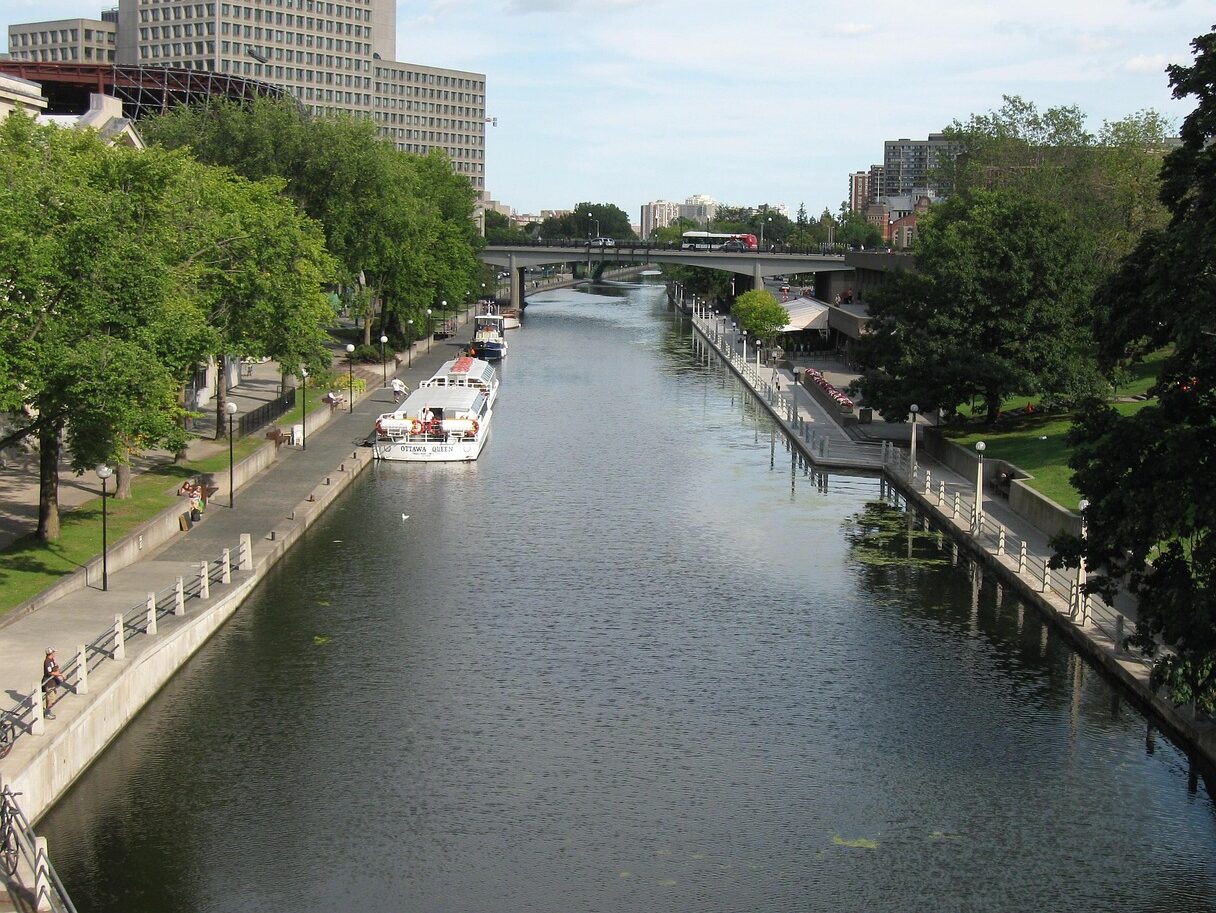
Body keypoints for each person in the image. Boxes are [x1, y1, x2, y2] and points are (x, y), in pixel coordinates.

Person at [42, 647, 63, 719]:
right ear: (50, 653)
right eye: (53, 652)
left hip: (52, 682)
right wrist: (60, 674)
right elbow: (49, 673)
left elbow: (55, 668)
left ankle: (48, 711)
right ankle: (47, 713)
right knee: (50, 698)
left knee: (52, 697)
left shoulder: (51, 660)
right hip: (49, 683)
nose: (55, 653)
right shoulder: (47, 662)